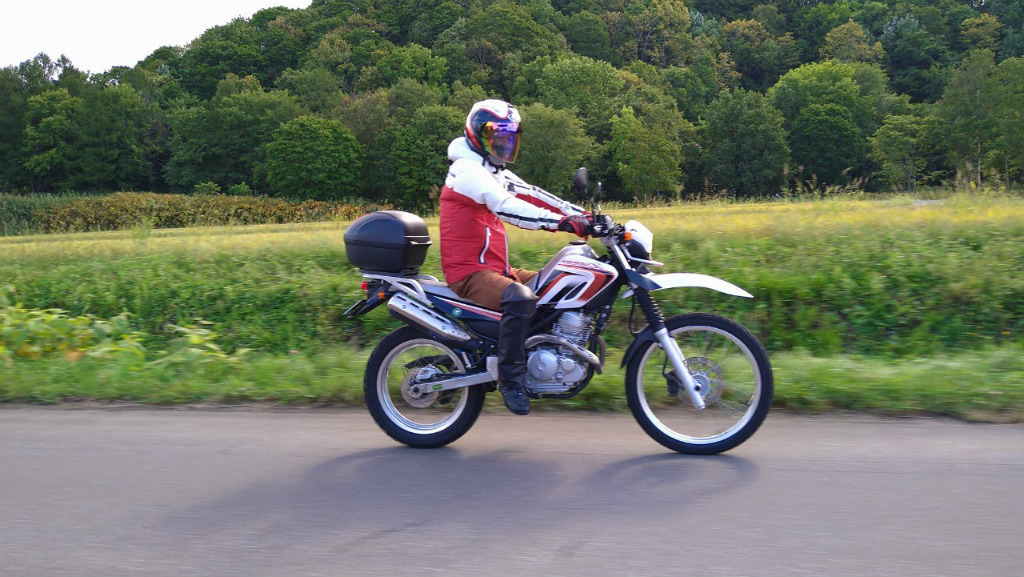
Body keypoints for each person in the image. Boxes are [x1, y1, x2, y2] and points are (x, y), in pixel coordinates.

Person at [439, 99, 591, 415]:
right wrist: (562, 223)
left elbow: (534, 194)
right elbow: (509, 207)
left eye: (509, 137)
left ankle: (544, 355)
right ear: (477, 135)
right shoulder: (468, 171)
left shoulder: (492, 170)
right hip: (469, 274)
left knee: (558, 286)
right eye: (497, 136)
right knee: (521, 298)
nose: (504, 144)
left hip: (496, 269)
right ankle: (511, 380)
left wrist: (582, 215)